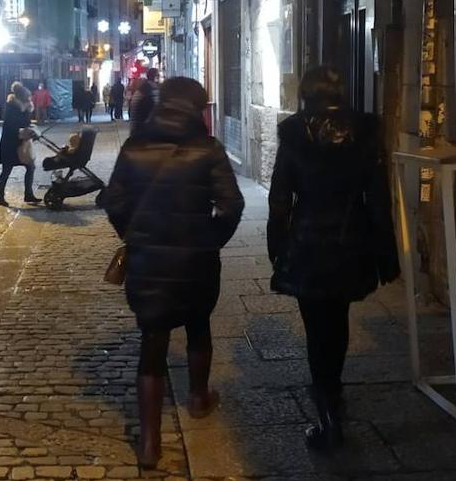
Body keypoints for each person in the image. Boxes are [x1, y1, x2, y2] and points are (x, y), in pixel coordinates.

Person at [103, 77, 244, 469]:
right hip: (196, 258)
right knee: (198, 324)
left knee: (153, 340)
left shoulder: (134, 147)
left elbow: (114, 201)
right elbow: (231, 205)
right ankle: (198, 398)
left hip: (148, 259)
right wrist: (211, 238)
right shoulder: (208, 149)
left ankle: (150, 442)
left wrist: (132, 234)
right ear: (195, 108)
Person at [267, 66, 400, 451]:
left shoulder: (295, 134)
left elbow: (280, 200)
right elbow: (378, 200)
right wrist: (386, 254)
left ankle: (327, 413)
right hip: (350, 242)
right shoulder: (365, 133)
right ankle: (334, 391)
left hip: (308, 244)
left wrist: (277, 247)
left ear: (306, 93)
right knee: (338, 321)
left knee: (316, 328)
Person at [0, 81, 40, 207]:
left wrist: (31, 130)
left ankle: (28, 194)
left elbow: (25, 123)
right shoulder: (12, 108)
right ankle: (0, 196)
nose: (30, 100)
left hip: (20, 144)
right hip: (10, 145)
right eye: (28, 98)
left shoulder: (23, 108)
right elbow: (12, 127)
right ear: (22, 98)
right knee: (6, 170)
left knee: (30, 167)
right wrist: (25, 131)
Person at [129, 68, 160, 136]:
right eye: (158, 75)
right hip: (144, 129)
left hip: (139, 127)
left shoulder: (144, 88)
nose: (159, 77)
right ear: (155, 77)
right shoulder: (148, 90)